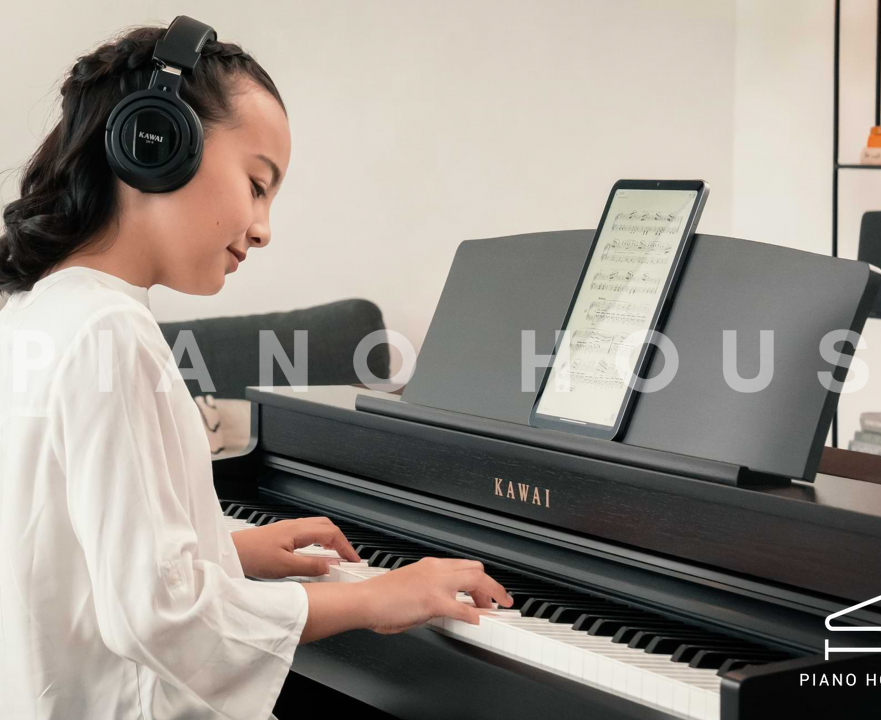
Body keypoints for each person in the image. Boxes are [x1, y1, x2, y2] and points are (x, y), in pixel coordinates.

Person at [0, 20, 511, 720]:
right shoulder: (110, 334)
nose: (265, 227)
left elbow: (74, 554)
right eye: (257, 184)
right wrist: (374, 597)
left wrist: (228, 549)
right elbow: (159, 617)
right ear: (157, 144)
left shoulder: (34, 314)